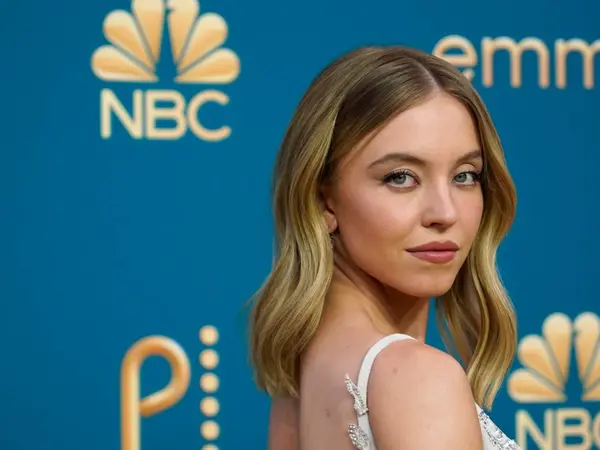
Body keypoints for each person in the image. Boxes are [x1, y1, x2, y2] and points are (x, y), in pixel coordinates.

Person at [248, 45, 520, 449]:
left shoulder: (297, 386)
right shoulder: (419, 379)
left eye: (465, 175)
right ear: (323, 201)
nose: (445, 213)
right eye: (401, 177)